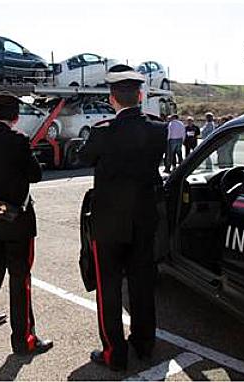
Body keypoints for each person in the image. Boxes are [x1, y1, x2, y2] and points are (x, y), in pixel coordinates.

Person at [78, 65, 167, 371]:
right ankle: (144, 345)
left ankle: (114, 353)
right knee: (142, 285)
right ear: (140, 96)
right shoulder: (158, 130)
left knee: (110, 289)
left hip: (109, 224)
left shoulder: (103, 132)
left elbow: (83, 157)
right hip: (143, 221)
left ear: (112, 99)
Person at [0, 91, 53, 355]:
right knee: (20, 277)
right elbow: (35, 175)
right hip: (18, 216)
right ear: (15, 117)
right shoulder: (18, 140)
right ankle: (24, 338)